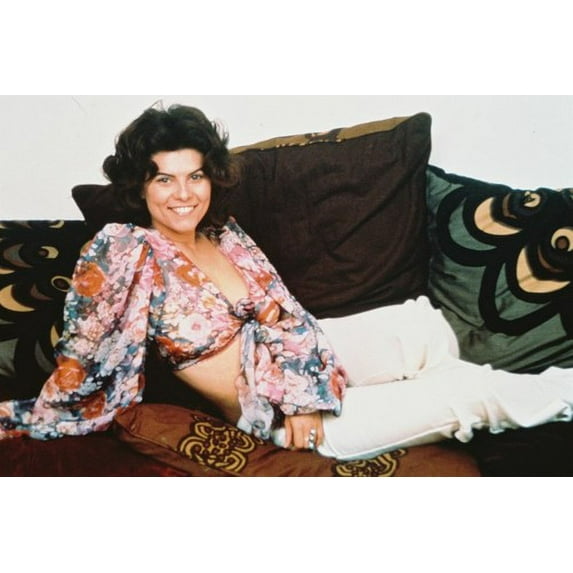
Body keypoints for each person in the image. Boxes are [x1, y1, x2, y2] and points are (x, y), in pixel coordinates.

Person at [1, 103, 572, 461]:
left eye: (195, 175)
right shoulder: (124, 248)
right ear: (140, 186)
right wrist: (25, 417)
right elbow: (83, 354)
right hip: (269, 412)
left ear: (211, 177)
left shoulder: (224, 234)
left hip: (309, 368)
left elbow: (290, 316)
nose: (183, 194)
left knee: (418, 326)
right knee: (469, 395)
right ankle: (509, 396)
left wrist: (306, 390)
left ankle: (450, 399)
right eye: (164, 179)